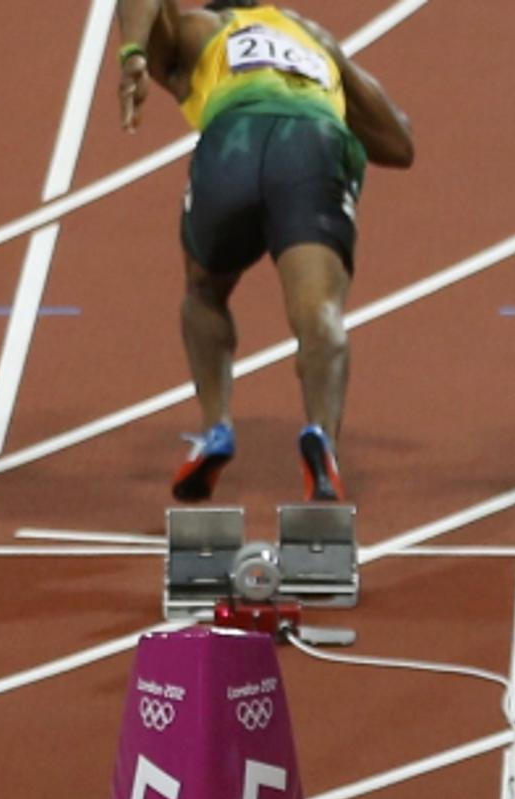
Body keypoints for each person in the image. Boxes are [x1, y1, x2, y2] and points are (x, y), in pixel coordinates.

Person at [115, 0, 414, 502]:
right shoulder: (312, 35)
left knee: (204, 291)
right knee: (320, 313)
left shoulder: (195, 29)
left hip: (234, 141)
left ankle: (216, 428)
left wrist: (132, 55)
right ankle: (322, 441)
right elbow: (398, 144)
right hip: (312, 142)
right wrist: (334, 72)